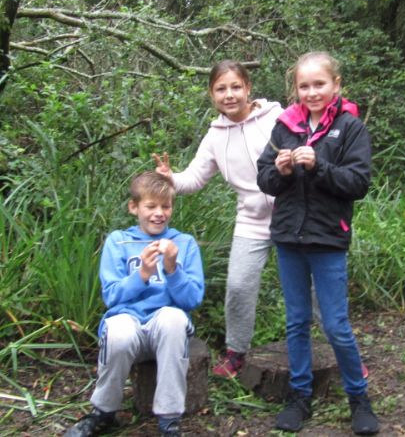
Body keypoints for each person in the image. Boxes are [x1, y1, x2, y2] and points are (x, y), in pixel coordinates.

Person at [257, 51, 379, 435]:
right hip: (289, 238)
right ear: (295, 89)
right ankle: (299, 397)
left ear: (336, 85)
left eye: (319, 84)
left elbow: (358, 183)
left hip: (328, 239)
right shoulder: (284, 126)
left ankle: (358, 398)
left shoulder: (350, 127)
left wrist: (318, 165)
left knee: (336, 325)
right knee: (296, 322)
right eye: (304, 86)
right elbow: (264, 179)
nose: (312, 92)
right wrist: (280, 170)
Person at [154, 60, 282, 377]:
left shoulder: (276, 118)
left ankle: (338, 348)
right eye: (221, 89)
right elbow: (194, 179)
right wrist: (171, 178)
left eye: (236, 87)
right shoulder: (215, 136)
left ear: (248, 88)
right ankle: (236, 353)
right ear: (212, 94)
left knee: (311, 285)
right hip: (251, 219)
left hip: (292, 214)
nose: (229, 95)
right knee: (238, 285)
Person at [64, 171, 204, 437]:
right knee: (119, 331)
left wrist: (172, 270)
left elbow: (192, 299)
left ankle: (170, 420)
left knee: (173, 319)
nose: (159, 213)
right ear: (134, 207)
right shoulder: (118, 242)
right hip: (128, 322)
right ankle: (103, 412)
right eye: (151, 206)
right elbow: (112, 297)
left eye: (165, 206)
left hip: (166, 329)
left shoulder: (184, 243)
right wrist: (142, 275)